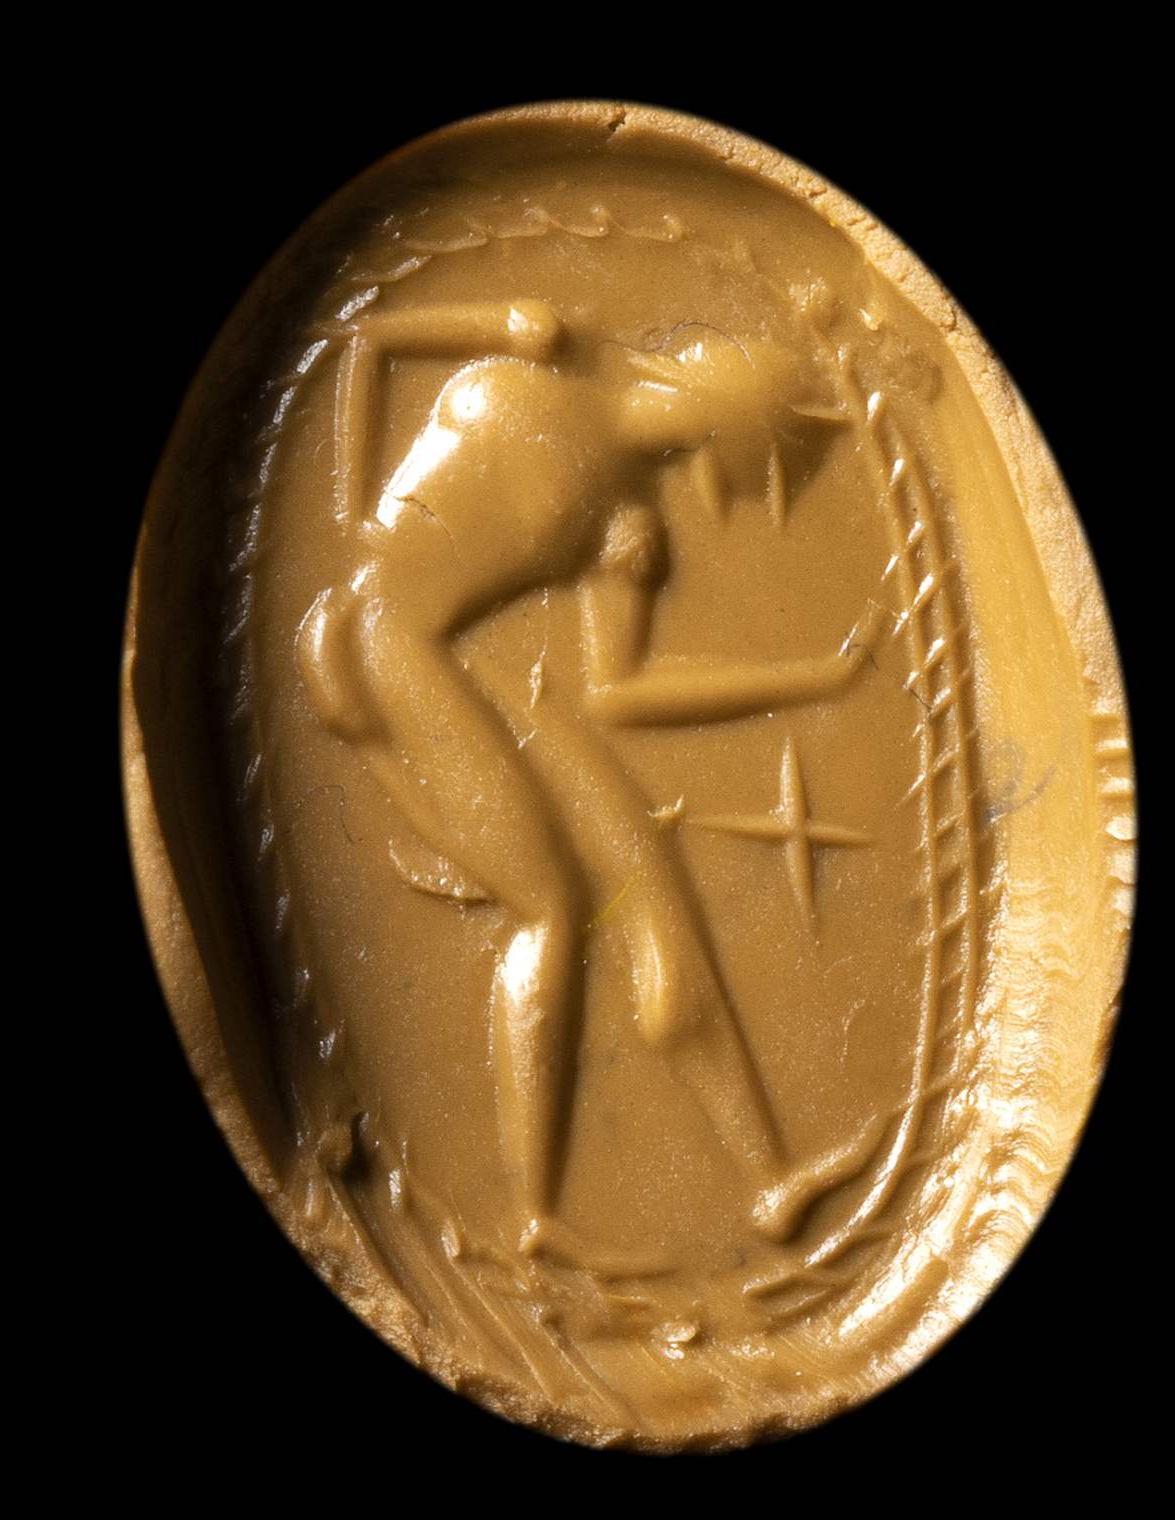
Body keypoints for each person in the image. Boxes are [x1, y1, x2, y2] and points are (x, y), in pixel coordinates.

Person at [298, 300, 879, 1261]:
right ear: (728, 420)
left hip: (440, 666)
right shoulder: (538, 344)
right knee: (553, 908)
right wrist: (358, 518)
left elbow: (621, 692)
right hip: (380, 651)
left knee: (641, 883)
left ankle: (768, 1180)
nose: (727, 477)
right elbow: (366, 338)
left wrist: (815, 678)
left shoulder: (625, 524)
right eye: (755, 455)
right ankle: (532, 1213)